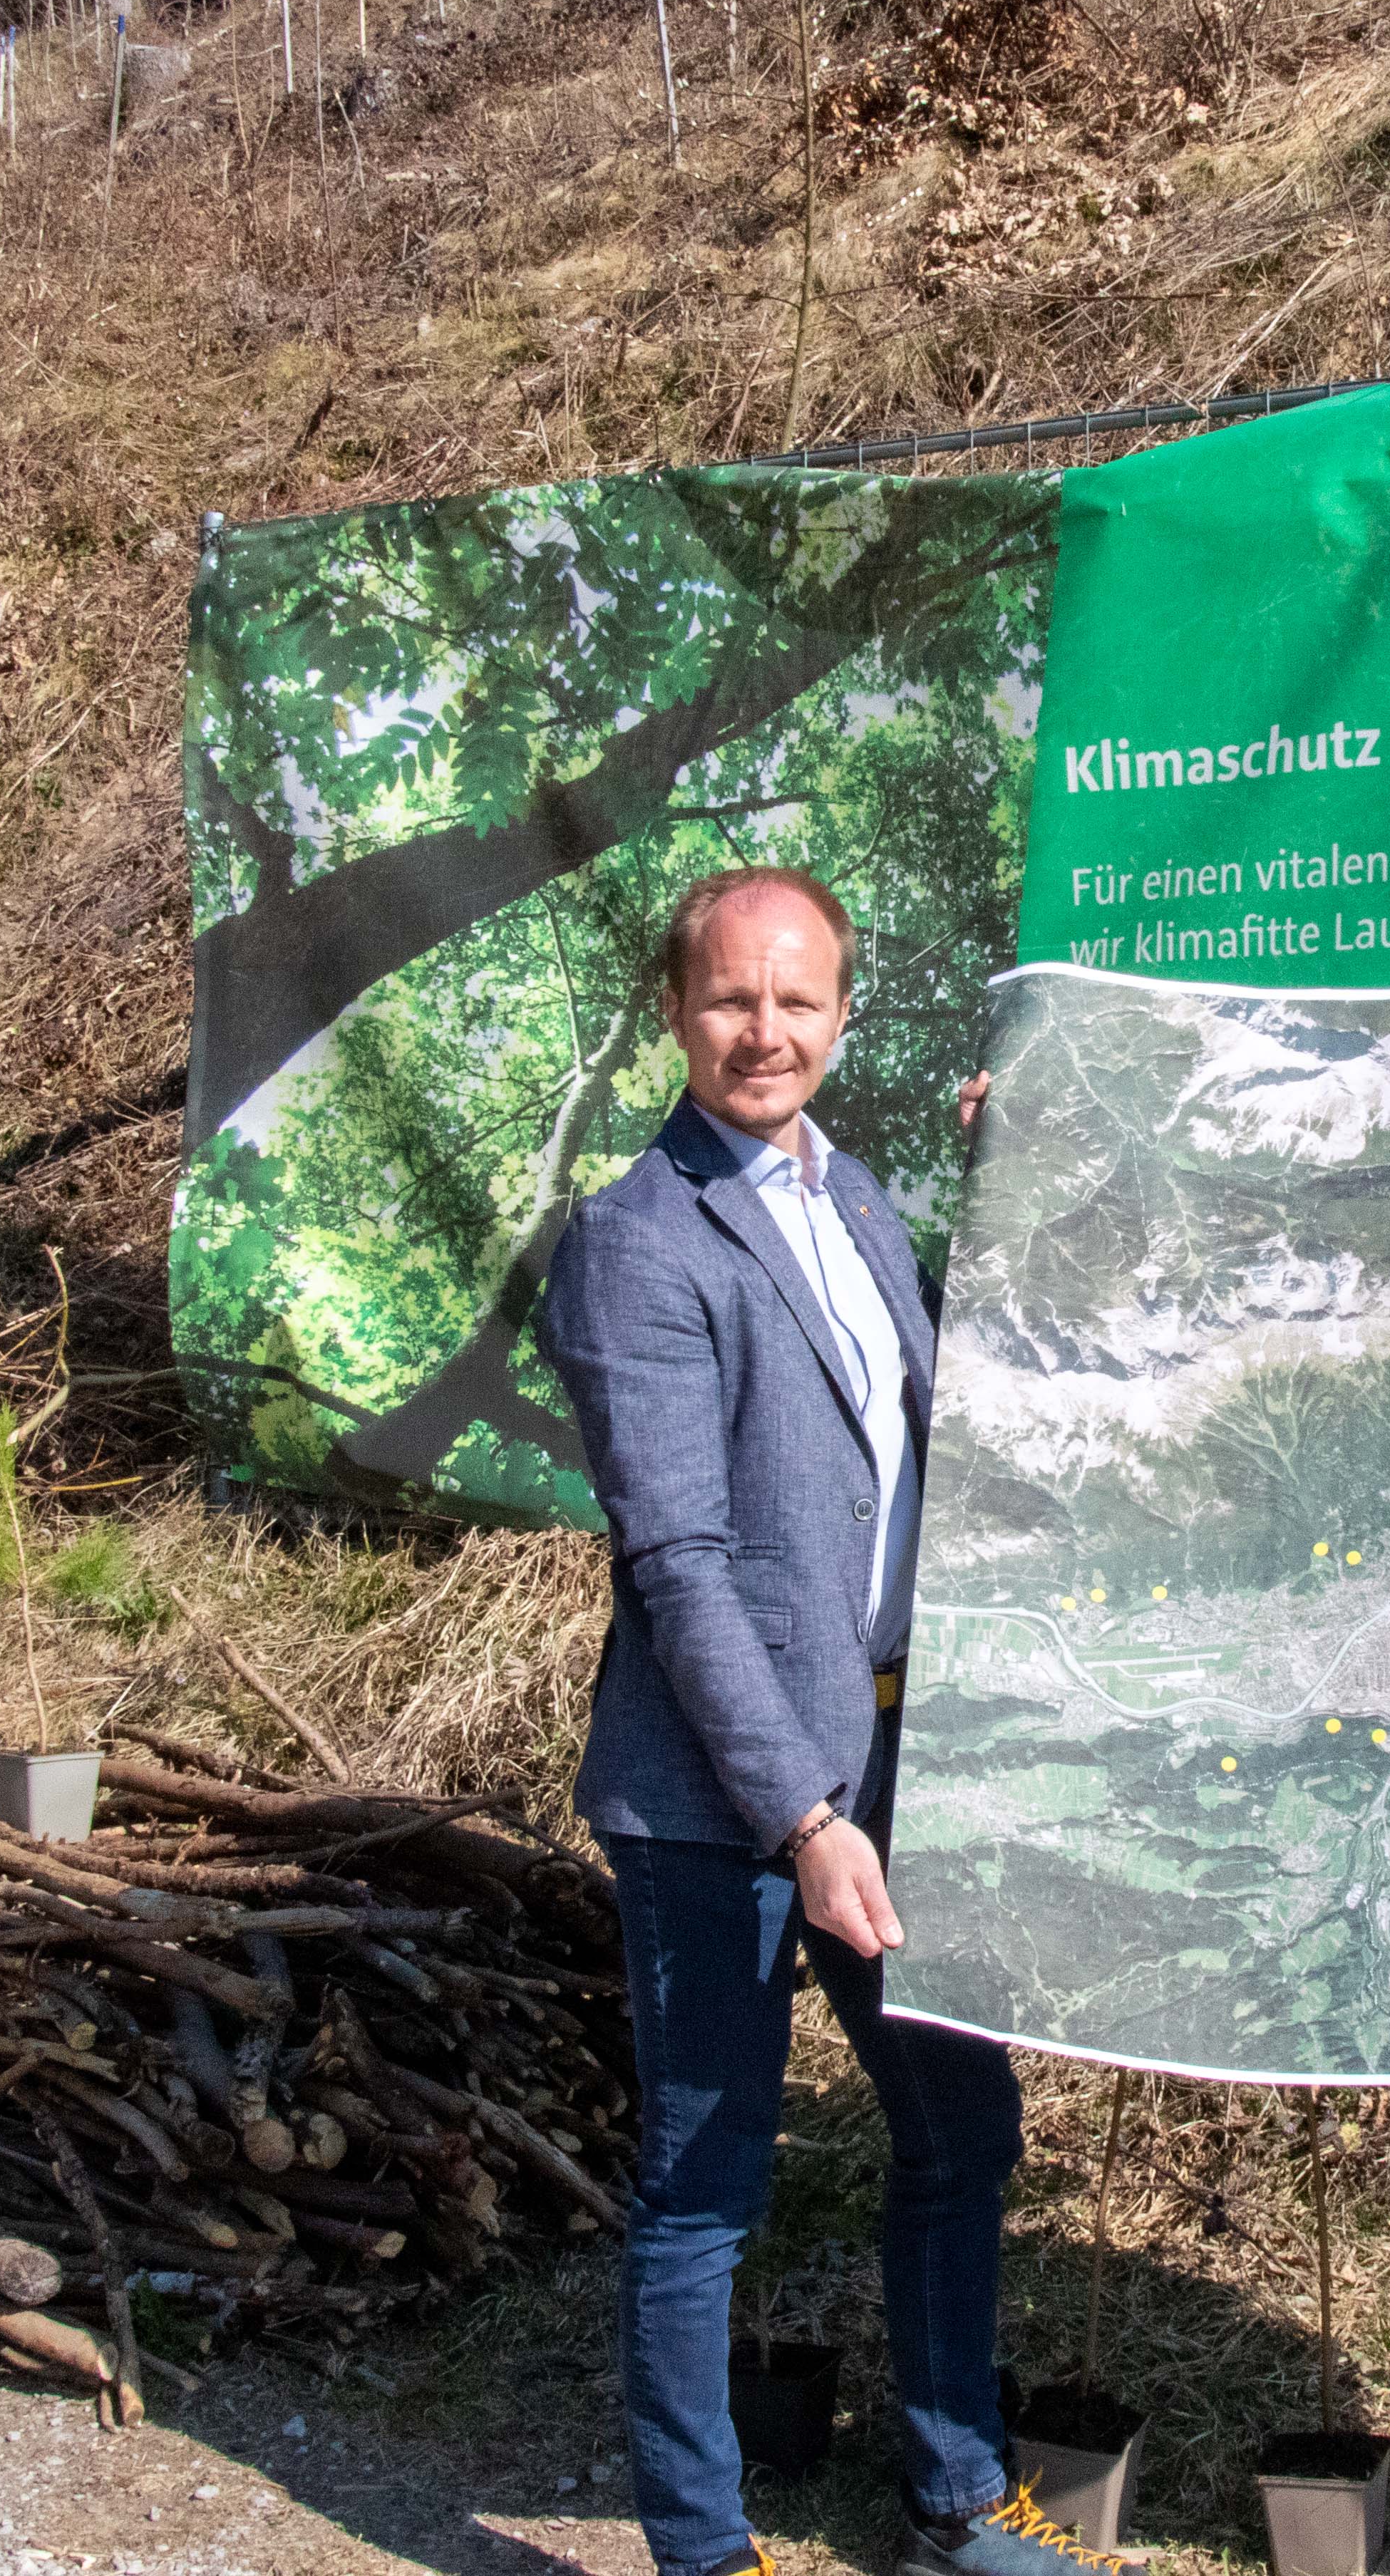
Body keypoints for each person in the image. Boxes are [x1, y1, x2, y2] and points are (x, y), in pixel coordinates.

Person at [538, 864, 1111, 2576]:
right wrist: (803, 1813)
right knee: (709, 2180)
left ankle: (950, 2492)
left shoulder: (851, 1199)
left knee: (960, 2128)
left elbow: (951, 1427)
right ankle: (706, 2549)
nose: (765, 1032)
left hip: (897, 1761)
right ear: (677, 1013)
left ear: (845, 1013)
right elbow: (683, 1566)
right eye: (732, 999)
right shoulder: (635, 1241)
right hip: (724, 1805)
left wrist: (1027, 1187)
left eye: (799, 1001)